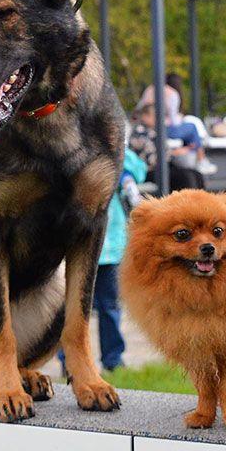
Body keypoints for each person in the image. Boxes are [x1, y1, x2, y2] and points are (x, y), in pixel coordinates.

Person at [92, 146, 148, 371]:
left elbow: (139, 171)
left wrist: (119, 152)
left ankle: (113, 360)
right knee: (70, 308)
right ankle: (70, 364)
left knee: (109, 306)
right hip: (75, 246)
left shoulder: (118, 156)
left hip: (110, 248)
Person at [130, 103, 204, 190]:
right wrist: (174, 153)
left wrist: (174, 152)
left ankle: (200, 201)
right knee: (186, 177)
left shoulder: (153, 131)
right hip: (149, 171)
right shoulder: (140, 133)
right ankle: (189, 202)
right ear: (145, 116)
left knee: (196, 175)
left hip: (162, 167)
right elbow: (152, 159)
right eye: (155, 116)